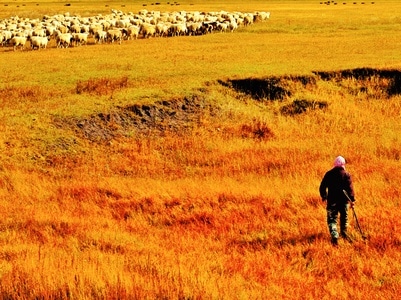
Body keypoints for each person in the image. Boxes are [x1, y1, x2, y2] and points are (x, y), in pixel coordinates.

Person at [319, 156, 355, 246]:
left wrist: (324, 196)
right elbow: (350, 190)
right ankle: (344, 234)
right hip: (344, 202)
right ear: (343, 165)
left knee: (332, 220)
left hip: (332, 201)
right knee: (344, 219)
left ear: (334, 164)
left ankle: (335, 236)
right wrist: (352, 200)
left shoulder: (329, 174)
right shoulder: (346, 175)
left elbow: (322, 187)